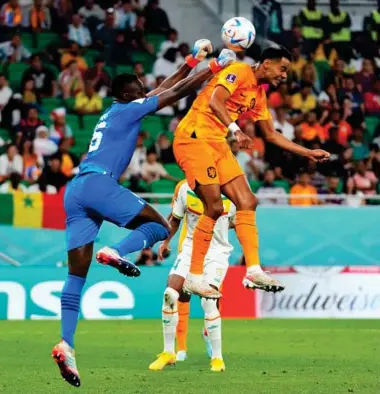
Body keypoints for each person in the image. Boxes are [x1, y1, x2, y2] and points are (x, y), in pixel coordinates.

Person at [51, 40, 236, 387]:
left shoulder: (115, 111)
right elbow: (175, 92)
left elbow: (165, 87)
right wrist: (213, 69)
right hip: (98, 184)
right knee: (159, 226)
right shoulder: (127, 109)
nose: (144, 83)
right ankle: (117, 251)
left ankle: (67, 343)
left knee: (76, 276)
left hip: (75, 191)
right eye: (137, 81)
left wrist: (192, 60)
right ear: (126, 90)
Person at [172, 45, 330, 298]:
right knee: (213, 207)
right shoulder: (238, 71)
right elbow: (215, 100)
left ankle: (253, 269)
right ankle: (194, 277)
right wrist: (236, 130)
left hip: (216, 143)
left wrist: (308, 152)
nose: (284, 76)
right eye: (283, 69)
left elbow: (270, 135)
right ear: (266, 63)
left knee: (248, 200)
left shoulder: (259, 94)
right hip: (193, 138)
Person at [149, 179, 236, 373]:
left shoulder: (231, 189)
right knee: (170, 294)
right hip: (190, 249)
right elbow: (175, 218)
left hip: (216, 253)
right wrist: (166, 242)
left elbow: (239, 224)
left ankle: (217, 358)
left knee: (209, 303)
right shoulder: (184, 187)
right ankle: (169, 352)